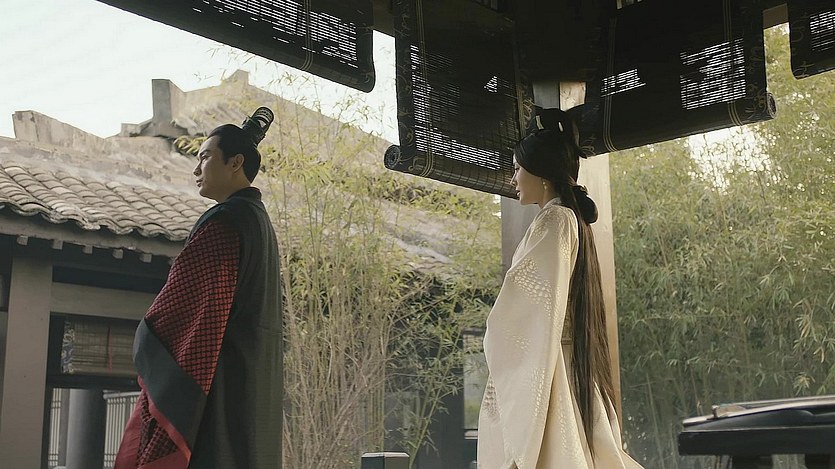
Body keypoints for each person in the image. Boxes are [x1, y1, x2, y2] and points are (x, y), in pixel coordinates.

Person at [115, 107, 283, 469]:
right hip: (250, 386)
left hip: (218, 387)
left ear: (235, 162)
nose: (196, 169)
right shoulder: (258, 223)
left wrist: (149, 339)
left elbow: (187, 311)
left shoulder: (226, 222)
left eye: (205, 157)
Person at [477, 110, 642, 468]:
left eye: (518, 168)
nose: (514, 178)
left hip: (552, 359)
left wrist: (499, 329)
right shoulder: (566, 218)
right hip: (558, 355)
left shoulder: (554, 219)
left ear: (542, 175)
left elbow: (533, 300)